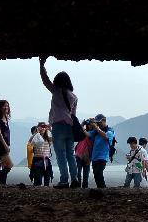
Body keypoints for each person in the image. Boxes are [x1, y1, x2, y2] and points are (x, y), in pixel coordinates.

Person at [40, 57, 81, 188]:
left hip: (58, 127)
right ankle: (75, 179)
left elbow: (45, 80)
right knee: (70, 154)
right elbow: (73, 115)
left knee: (61, 155)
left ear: (57, 81)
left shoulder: (55, 91)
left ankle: (64, 180)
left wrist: (42, 65)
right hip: (70, 127)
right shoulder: (74, 97)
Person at [87, 114, 114, 188]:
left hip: (103, 156)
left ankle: (103, 189)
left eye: (99, 122)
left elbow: (106, 137)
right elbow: (87, 134)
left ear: (104, 121)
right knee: (96, 175)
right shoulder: (95, 132)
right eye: (97, 123)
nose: (98, 124)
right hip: (94, 157)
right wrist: (84, 124)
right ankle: (100, 188)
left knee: (99, 173)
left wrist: (97, 128)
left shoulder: (110, 130)